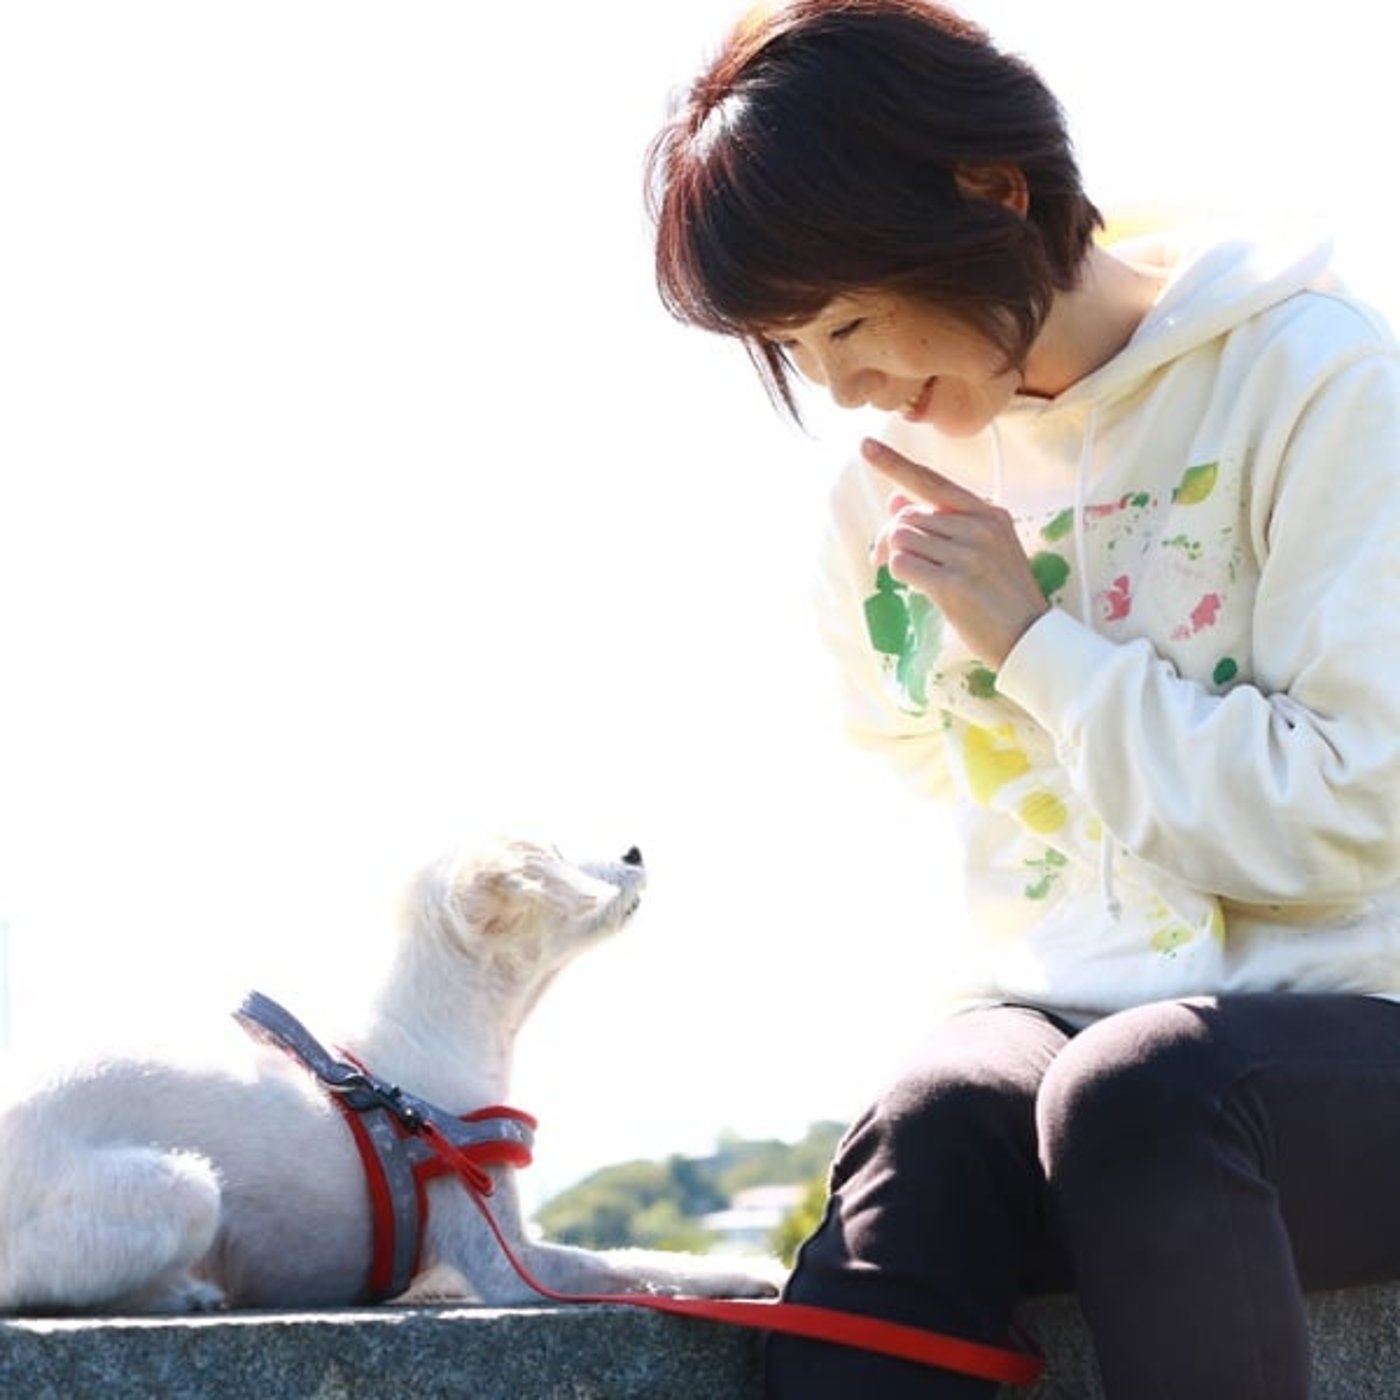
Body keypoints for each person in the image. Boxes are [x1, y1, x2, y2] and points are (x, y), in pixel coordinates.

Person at [646, 2, 1400, 1397]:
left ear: (991, 193)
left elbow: (1347, 813)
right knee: (933, 1115)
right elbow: (922, 758)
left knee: (1143, 1091)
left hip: (1353, 1025)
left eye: (849, 321)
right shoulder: (888, 496)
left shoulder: (1319, 378)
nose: (845, 387)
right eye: (799, 349)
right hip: (1068, 1041)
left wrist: (1036, 643)